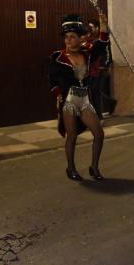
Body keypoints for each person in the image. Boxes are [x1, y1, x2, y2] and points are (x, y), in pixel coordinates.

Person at [49, 14, 109, 181]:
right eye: (66, 37)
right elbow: (52, 79)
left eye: (72, 37)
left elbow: (103, 43)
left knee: (99, 134)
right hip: (69, 100)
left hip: (84, 99)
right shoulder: (58, 57)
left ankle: (94, 167)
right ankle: (71, 168)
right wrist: (58, 94)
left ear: (79, 38)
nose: (68, 40)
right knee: (72, 135)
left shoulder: (87, 53)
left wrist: (103, 25)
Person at [86, 19, 117, 120]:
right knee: (95, 90)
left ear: (97, 28)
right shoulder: (90, 39)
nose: (90, 29)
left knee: (96, 91)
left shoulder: (103, 40)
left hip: (101, 69)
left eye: (92, 27)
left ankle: (99, 115)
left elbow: (108, 54)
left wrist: (105, 65)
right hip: (93, 69)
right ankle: (109, 102)